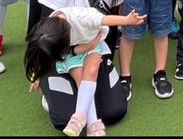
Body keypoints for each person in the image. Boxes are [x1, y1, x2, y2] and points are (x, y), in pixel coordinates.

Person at [38, 0, 127, 131]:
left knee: (113, 111)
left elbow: (112, 28)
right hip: (62, 55)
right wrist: (40, 68)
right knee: (63, 119)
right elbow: (44, 30)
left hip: (94, 52)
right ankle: (50, 87)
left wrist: (105, 58)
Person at [25, 8, 145, 137]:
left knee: (91, 73)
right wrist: (37, 75)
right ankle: (90, 124)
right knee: (80, 79)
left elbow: (105, 19)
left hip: (93, 45)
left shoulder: (82, 17)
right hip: (73, 52)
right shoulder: (49, 29)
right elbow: (41, 51)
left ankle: (80, 117)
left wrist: (127, 20)